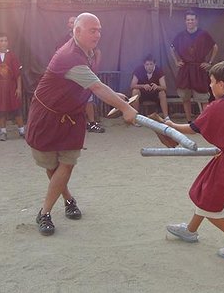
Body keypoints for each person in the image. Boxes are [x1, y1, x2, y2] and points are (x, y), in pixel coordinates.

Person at [26, 13, 137, 236]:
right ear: (77, 31)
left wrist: (115, 95)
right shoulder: (68, 56)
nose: (97, 34)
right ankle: (68, 199)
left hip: (71, 116)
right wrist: (125, 108)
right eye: (92, 30)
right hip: (47, 117)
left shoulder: (89, 53)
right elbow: (96, 87)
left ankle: (44, 213)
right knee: (52, 167)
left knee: (66, 163)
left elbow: (89, 83)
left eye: (99, 29)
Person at [164, 61, 224, 259]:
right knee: (205, 191)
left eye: (212, 82)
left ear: (222, 85)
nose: (210, 85)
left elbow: (193, 128)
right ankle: (190, 231)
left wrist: (171, 125)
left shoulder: (217, 107)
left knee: (210, 203)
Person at [58, 16, 105, 133]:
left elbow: (97, 52)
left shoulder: (87, 41)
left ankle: (92, 123)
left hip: (85, 74)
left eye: (73, 22)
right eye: (70, 22)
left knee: (88, 97)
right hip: (69, 77)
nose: (97, 35)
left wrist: (94, 66)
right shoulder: (65, 43)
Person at [170, 10, 218, 122]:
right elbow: (172, 48)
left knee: (203, 98)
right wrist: (176, 61)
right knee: (185, 97)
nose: (190, 21)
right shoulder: (180, 36)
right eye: (188, 20)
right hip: (185, 69)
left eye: (192, 19)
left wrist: (209, 63)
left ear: (196, 21)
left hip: (198, 69)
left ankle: (205, 122)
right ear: (185, 21)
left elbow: (215, 47)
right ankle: (189, 121)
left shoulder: (203, 34)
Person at [130, 54, 170, 120]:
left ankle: (166, 117)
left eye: (151, 64)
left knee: (162, 93)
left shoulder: (159, 70)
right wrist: (143, 86)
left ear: (154, 64)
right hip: (142, 94)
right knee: (135, 91)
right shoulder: (138, 70)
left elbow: (164, 87)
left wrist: (157, 87)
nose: (149, 67)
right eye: (147, 64)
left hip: (154, 94)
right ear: (144, 65)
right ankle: (136, 117)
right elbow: (132, 86)